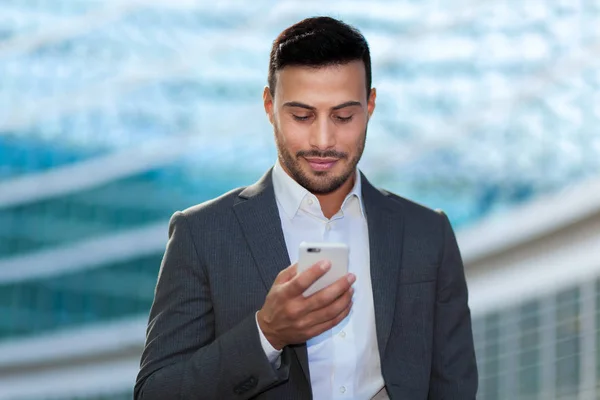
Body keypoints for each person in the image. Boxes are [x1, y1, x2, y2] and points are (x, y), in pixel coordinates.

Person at [134, 16, 478, 400]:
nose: (323, 140)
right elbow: (155, 392)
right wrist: (267, 333)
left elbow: (455, 387)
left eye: (344, 116)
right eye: (302, 116)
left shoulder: (428, 234)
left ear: (370, 105)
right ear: (269, 106)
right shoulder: (201, 234)